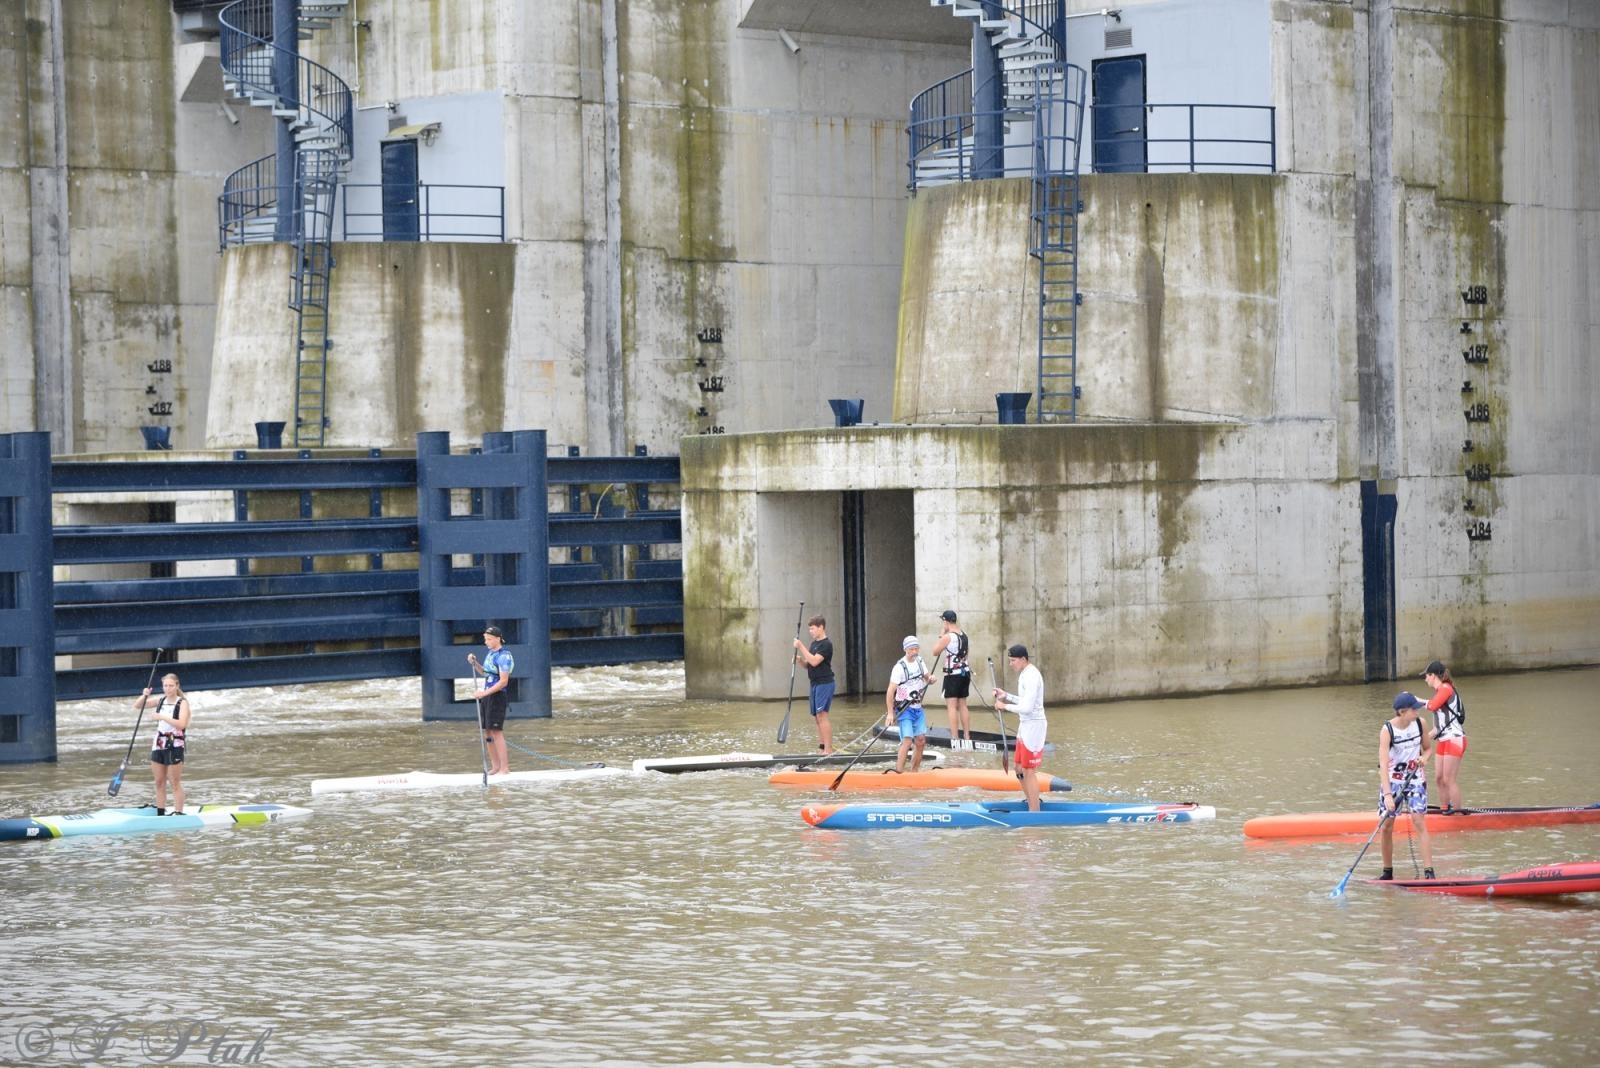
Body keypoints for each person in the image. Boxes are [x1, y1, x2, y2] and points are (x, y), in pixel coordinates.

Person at [1378, 692, 1435, 880]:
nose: (1417, 712)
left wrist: (1424, 759)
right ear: (1402, 712)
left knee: (1419, 822)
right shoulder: (1387, 731)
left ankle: (1429, 872)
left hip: (1415, 780)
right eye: (1413, 709)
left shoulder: (1421, 724)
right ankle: (1387, 872)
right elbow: (1383, 766)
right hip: (1393, 783)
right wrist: (1387, 795)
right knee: (1386, 826)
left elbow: (1428, 749)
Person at [992, 644, 1046, 812]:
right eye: (1010, 661)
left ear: (1023, 659)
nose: (1011, 664)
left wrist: (1004, 706)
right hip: (1025, 725)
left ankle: (1034, 811)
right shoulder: (1025, 674)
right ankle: (1030, 802)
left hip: (1034, 725)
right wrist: (1006, 696)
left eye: (1013, 660)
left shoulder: (1032, 676)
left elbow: (1027, 708)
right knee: (1019, 768)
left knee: (1029, 770)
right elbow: (1024, 701)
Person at [1420, 659, 1467, 813]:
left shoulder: (1446, 688)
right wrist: (1418, 741)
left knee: (1449, 780)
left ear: (1433, 676)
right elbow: (1436, 729)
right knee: (1439, 779)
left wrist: (1414, 701)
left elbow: (1432, 705)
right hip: (1443, 740)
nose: (1425, 679)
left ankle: (1458, 814)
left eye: (1426, 676)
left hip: (1455, 739)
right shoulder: (1438, 694)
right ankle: (1445, 810)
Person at [142, 672, 192, 815]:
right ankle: (160, 812)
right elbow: (139, 705)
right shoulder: (161, 700)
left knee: (174, 782)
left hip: (175, 745)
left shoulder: (182, 703)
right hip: (159, 744)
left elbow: (181, 724)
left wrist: (162, 716)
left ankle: (178, 812)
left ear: (177, 686)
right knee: (159, 781)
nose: (167, 688)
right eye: (165, 685)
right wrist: (144, 695)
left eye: (171, 685)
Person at [467, 625, 513, 776]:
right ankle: (495, 767)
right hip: (487, 696)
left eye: (489, 639)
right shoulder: (490, 654)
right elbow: (485, 673)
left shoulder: (504, 656)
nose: (486, 642)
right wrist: (475, 663)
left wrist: (484, 692)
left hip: (497, 696)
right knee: (487, 732)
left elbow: (503, 682)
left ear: (498, 639)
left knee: (496, 732)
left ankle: (504, 768)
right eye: (485, 639)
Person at [884, 636, 930, 773]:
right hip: (905, 709)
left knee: (921, 740)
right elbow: (890, 691)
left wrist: (931, 679)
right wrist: (890, 714)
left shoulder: (920, 662)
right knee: (908, 741)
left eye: (916, 648)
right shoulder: (899, 667)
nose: (915, 651)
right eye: (912, 649)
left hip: (918, 708)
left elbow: (927, 677)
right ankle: (898, 772)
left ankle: (914, 772)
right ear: (905, 649)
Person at [928, 610, 973, 748]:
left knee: (952, 707)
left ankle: (955, 738)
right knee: (963, 705)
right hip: (964, 673)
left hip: (952, 675)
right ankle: (967, 736)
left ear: (946, 621)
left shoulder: (948, 636)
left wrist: (942, 634)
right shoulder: (963, 635)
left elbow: (935, 651)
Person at [793, 615, 835, 755]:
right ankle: (822, 747)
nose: (810, 631)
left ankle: (828, 750)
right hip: (814, 683)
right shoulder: (813, 644)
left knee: (822, 715)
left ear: (821, 627)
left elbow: (815, 661)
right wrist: (799, 661)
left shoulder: (826, 644)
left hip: (825, 683)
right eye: (809, 629)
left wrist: (800, 646)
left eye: (812, 628)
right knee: (816, 717)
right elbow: (809, 664)